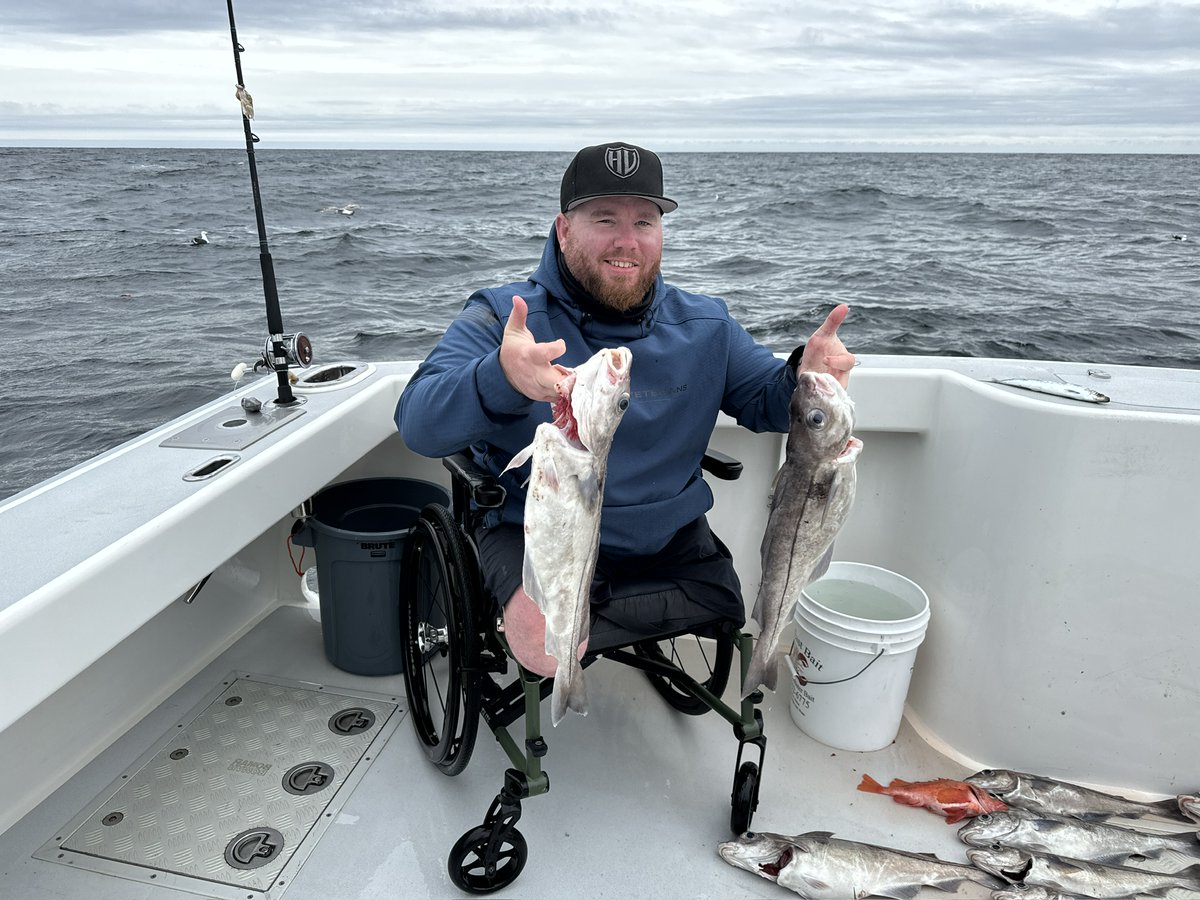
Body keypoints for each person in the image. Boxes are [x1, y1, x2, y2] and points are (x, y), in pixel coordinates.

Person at [395, 142, 854, 678]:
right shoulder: (505, 318)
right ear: (564, 230)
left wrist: (806, 375)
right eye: (604, 218)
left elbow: (768, 402)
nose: (627, 241)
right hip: (538, 529)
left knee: (730, 604)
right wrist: (502, 378)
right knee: (546, 650)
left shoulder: (707, 324)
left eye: (645, 221)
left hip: (666, 534)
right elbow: (419, 423)